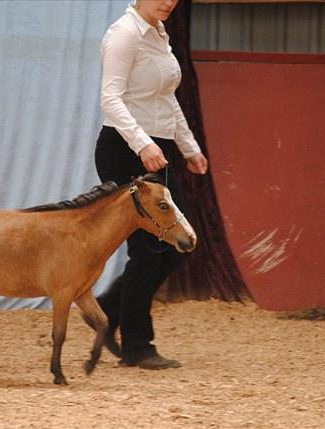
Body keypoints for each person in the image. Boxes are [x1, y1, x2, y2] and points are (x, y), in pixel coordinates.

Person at [93, 0, 208, 370]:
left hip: (156, 151)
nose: (169, 1)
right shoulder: (124, 35)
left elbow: (166, 98)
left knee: (176, 244)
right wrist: (142, 143)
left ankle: (110, 309)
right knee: (148, 252)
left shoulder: (159, 33)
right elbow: (110, 99)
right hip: (125, 152)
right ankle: (137, 346)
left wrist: (190, 148)